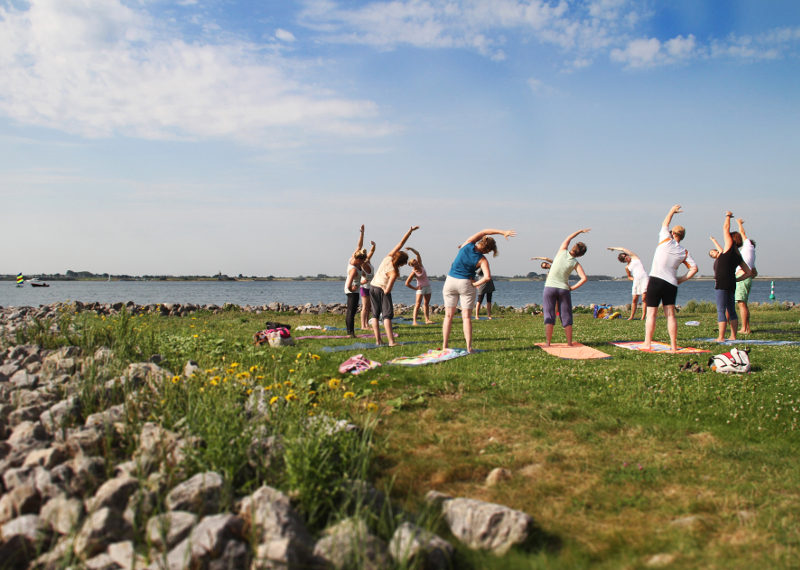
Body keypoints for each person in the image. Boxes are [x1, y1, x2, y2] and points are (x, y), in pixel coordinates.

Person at [442, 228, 516, 353]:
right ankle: (469, 348)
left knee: (448, 316)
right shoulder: (482, 259)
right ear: (488, 250)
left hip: (450, 281)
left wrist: (502, 232)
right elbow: (487, 277)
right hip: (466, 283)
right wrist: (476, 283)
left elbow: (485, 230)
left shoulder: (468, 243)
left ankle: (444, 346)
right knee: (466, 317)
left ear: (481, 241)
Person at [642, 205, 698, 352]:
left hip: (656, 280)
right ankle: (673, 346)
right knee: (670, 315)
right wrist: (681, 279)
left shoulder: (665, 239)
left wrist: (672, 211)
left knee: (651, 313)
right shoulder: (684, 252)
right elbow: (694, 269)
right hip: (671, 284)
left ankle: (647, 343)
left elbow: (664, 223)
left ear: (672, 233)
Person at [369, 225, 420, 346]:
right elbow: (388, 288)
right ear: (401, 263)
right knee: (387, 316)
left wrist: (410, 231)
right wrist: (385, 291)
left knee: (375, 315)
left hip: (372, 287)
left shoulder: (388, 258)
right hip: (382, 289)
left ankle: (378, 340)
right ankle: (391, 341)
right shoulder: (394, 271)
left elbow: (401, 243)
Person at [539, 229, 590, 346]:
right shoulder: (575, 263)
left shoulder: (562, 251)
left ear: (573, 247)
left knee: (549, 314)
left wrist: (580, 231)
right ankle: (569, 342)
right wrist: (572, 288)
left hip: (549, 287)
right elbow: (584, 278)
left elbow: (569, 237)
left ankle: (548, 343)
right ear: (581, 254)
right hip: (563, 289)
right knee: (566, 315)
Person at [709, 212, 754, 342]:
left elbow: (725, 228)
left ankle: (721, 337)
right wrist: (737, 279)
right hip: (731, 283)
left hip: (722, 283)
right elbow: (749, 272)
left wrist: (728, 216)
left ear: (732, 239)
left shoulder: (729, 247)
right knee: (731, 310)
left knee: (721, 310)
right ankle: (733, 336)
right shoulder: (738, 255)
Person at [607, 247, 648, 320]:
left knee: (644, 298)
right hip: (636, 281)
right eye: (624, 258)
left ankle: (643, 316)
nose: (626, 257)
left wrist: (613, 248)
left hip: (644, 279)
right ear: (624, 261)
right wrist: (633, 279)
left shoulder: (635, 258)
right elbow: (629, 276)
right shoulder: (627, 267)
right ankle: (631, 316)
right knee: (634, 299)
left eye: (626, 256)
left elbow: (623, 249)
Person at [344, 226, 368, 337]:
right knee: (351, 312)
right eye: (363, 261)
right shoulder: (353, 269)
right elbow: (349, 283)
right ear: (358, 259)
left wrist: (362, 233)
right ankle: (350, 333)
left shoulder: (354, 260)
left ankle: (350, 332)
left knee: (352, 311)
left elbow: (359, 245)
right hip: (352, 291)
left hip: (355, 290)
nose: (364, 262)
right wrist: (351, 288)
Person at [735, 218, 757, 334]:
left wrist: (739, 223)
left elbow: (743, 233)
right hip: (746, 278)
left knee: (741, 303)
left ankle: (744, 328)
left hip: (742, 279)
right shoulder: (751, 255)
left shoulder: (748, 247)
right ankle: (746, 327)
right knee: (743, 303)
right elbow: (754, 272)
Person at [404, 247, 434, 325]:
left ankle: (427, 320)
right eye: (414, 262)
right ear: (412, 265)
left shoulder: (421, 265)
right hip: (420, 289)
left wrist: (411, 249)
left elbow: (417, 254)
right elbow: (407, 283)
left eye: (416, 261)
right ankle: (414, 321)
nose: (416, 262)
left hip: (428, 287)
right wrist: (415, 288)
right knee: (417, 305)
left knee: (426, 304)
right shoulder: (413, 272)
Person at [359, 240, 376, 330]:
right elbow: (358, 281)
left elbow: (372, 251)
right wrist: (364, 281)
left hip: (371, 287)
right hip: (364, 288)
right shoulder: (361, 266)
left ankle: (367, 325)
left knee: (369, 307)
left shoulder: (367, 261)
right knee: (365, 307)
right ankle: (363, 326)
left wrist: (374, 245)